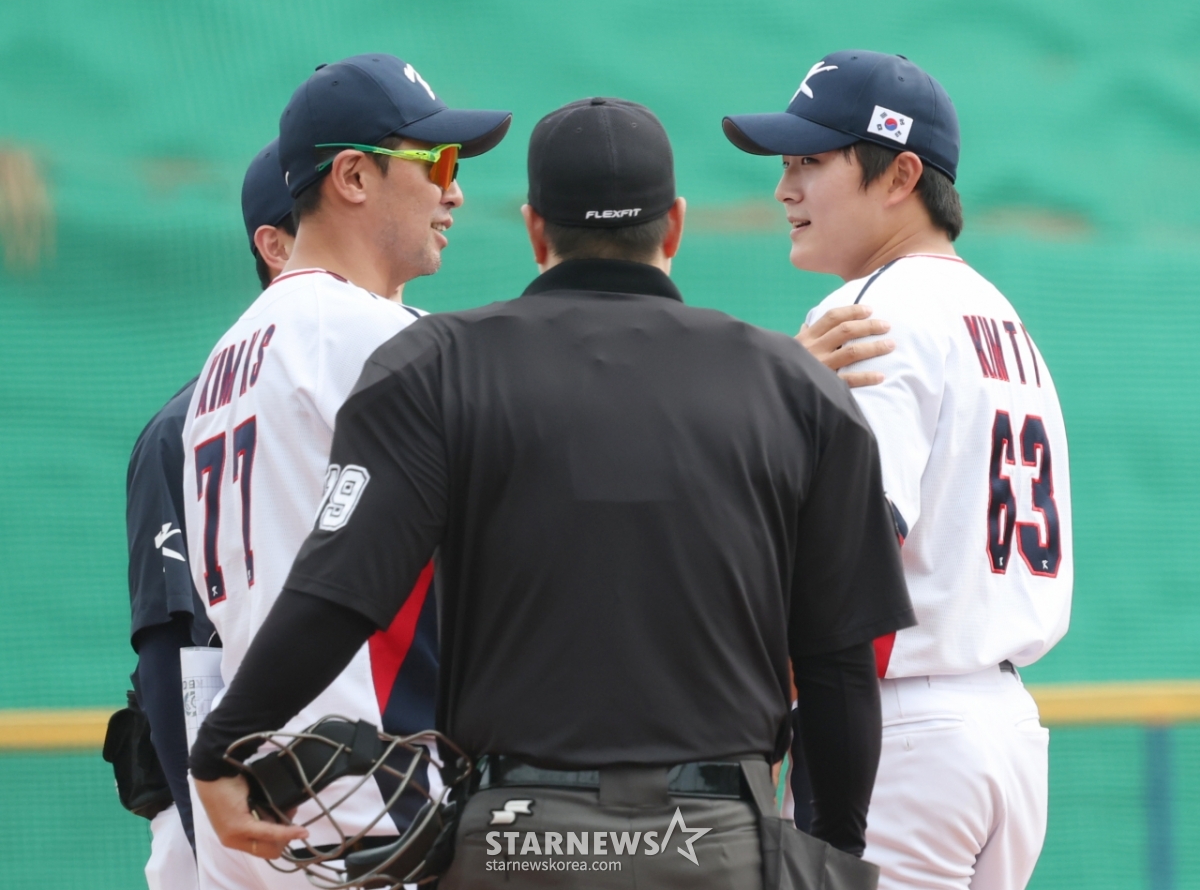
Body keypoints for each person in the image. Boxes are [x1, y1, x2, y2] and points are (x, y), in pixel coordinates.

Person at [189, 96, 914, 890]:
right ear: (674, 226)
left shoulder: (434, 364)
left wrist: (224, 743)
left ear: (536, 231)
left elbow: (341, 591)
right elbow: (839, 665)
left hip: (520, 842)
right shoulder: (798, 387)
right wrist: (836, 853)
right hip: (717, 843)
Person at [723, 50, 1074, 889]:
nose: (785, 189)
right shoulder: (1001, 317)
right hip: (1005, 735)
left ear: (901, 175)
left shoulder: (869, 312)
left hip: (900, 735)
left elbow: (850, 549)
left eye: (811, 161)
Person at [180, 54, 510, 890]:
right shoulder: (365, 333)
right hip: (380, 793)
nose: (454, 191)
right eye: (436, 162)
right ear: (354, 176)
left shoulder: (225, 357)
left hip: (274, 785)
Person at [121, 138, 296, 890]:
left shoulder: (405, 381)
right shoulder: (185, 427)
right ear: (276, 246)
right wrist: (219, 855)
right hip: (235, 804)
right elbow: (172, 656)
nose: (449, 194)